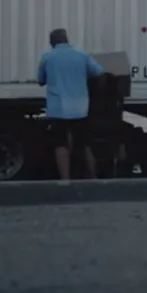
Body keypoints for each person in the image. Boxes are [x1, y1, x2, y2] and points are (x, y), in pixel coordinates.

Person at [37, 28, 104, 180]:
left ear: (52, 42)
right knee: (85, 143)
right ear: (66, 39)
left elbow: (41, 80)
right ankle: (92, 176)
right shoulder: (81, 54)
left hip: (58, 108)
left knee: (61, 144)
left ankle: (65, 180)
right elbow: (99, 72)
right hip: (80, 107)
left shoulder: (47, 57)